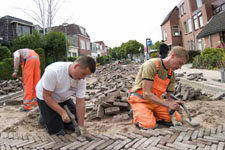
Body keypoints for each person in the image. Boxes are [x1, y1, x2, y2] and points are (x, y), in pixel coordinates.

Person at [128, 46, 189, 129]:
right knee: (149, 125)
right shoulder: (152, 65)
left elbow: (169, 97)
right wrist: (168, 104)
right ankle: (136, 113)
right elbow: (146, 94)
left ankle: (150, 114)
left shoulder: (171, 74)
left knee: (177, 119)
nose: (180, 67)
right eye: (180, 63)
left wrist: (173, 108)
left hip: (156, 101)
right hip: (140, 100)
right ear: (173, 55)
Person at [36, 56, 96, 135]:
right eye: (83, 74)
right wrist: (62, 113)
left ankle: (52, 116)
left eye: (86, 76)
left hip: (63, 98)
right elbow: (46, 96)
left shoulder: (81, 80)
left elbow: (80, 102)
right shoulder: (54, 71)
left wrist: (81, 126)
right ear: (76, 66)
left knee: (75, 124)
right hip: (46, 98)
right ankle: (44, 118)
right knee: (58, 131)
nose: (84, 78)